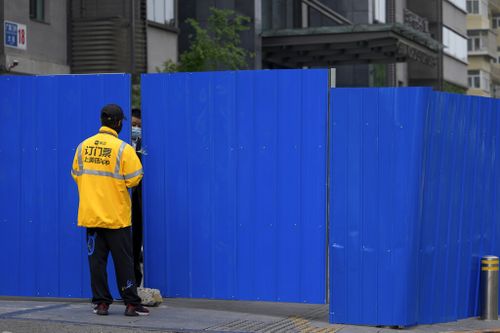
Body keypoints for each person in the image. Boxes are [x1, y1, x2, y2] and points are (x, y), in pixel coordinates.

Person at [71, 104, 149, 317]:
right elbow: (134, 179)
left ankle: (101, 303)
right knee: (124, 262)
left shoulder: (83, 147)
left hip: (91, 217)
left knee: (97, 263)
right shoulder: (124, 149)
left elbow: (76, 173)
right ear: (118, 123)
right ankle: (131, 303)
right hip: (116, 218)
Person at [131, 108, 143, 285]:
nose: (135, 129)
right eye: (132, 125)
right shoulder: (124, 149)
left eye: (139, 126)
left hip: (141, 200)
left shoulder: (143, 147)